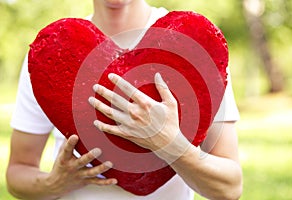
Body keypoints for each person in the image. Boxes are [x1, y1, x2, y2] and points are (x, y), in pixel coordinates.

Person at [6, 0, 243, 199]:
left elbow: (230, 187)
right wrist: (52, 183)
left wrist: (170, 145)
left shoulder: (194, 44)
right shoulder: (53, 54)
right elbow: (17, 173)